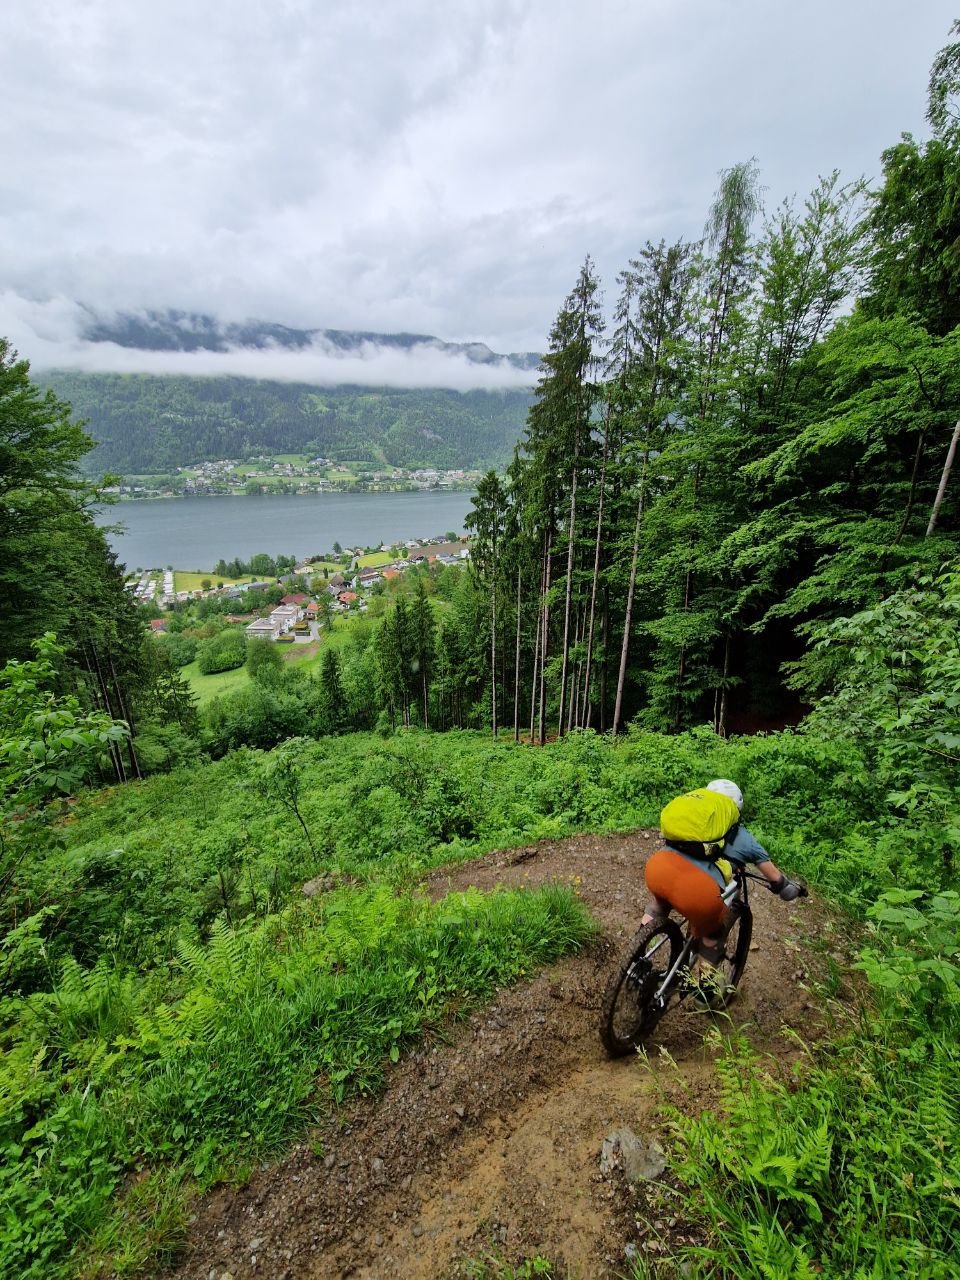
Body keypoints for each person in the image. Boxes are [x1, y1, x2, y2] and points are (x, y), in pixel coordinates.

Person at [640, 778, 803, 1006]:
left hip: (658, 869)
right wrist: (791, 889)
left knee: (659, 904)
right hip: (697, 891)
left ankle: (637, 960)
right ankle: (702, 993)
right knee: (712, 934)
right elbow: (779, 883)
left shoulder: (691, 820)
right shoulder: (741, 836)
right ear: (735, 809)